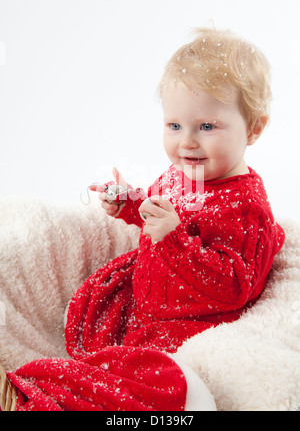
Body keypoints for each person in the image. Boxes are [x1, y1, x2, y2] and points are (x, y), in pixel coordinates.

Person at [1, 27, 285, 411]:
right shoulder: (182, 172)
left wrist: (174, 238)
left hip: (189, 321)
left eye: (206, 127)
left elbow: (236, 284)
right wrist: (130, 204)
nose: (187, 141)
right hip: (144, 304)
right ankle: (60, 386)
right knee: (95, 322)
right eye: (174, 126)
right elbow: (156, 207)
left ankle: (51, 396)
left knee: (148, 380)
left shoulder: (245, 206)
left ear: (254, 128)